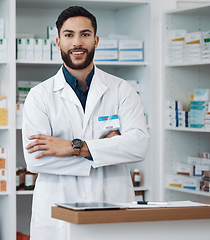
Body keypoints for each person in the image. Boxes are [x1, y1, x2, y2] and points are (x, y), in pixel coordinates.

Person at [22, 6, 149, 240]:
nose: (77, 42)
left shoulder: (121, 90)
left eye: (85, 34)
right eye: (69, 35)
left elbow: (138, 146)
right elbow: (36, 160)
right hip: (59, 211)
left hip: (112, 207)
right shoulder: (39, 95)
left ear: (96, 40)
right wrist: (108, 150)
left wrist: (71, 147)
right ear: (58, 41)